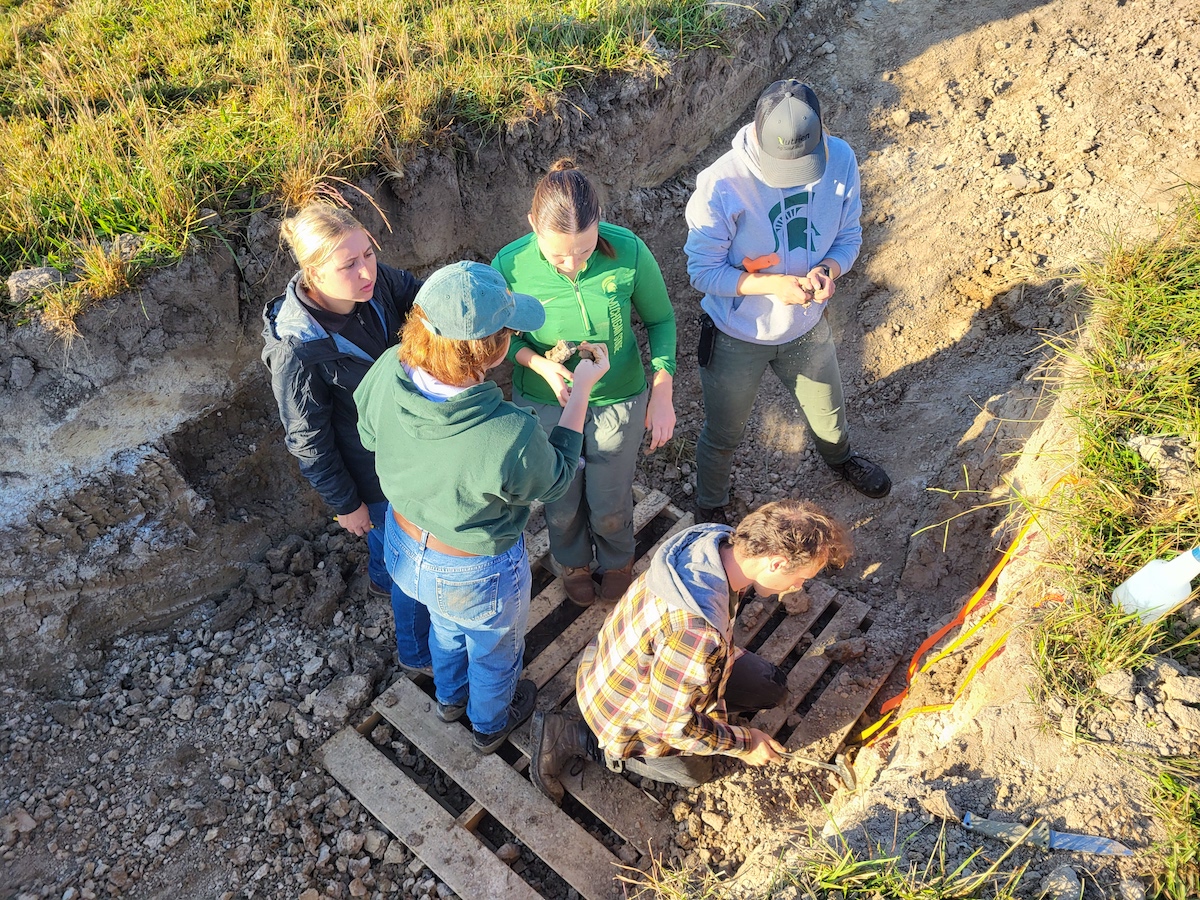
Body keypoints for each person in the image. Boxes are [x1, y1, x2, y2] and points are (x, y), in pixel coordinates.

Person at [354, 262, 611, 753]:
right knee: (494, 652)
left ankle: (450, 698)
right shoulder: (507, 432)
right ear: (490, 351)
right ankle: (490, 724)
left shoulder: (389, 367)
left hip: (405, 545)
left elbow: (369, 434)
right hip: (476, 570)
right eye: (508, 333)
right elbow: (556, 478)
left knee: (446, 630)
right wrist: (580, 392)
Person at [529, 499, 851, 802]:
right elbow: (671, 726)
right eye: (799, 578)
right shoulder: (696, 631)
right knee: (696, 772)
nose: (798, 587)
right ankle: (579, 738)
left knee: (770, 687)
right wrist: (745, 743)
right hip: (621, 703)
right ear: (776, 562)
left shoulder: (714, 540)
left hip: (627, 661)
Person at [684, 80, 891, 524]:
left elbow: (849, 236)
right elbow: (702, 271)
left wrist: (829, 271)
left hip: (807, 326)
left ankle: (841, 459)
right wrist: (772, 287)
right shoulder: (721, 184)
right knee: (724, 431)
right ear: (758, 135)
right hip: (737, 335)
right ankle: (710, 503)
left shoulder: (842, 160)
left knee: (829, 412)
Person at [492, 159, 678, 608]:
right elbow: (499, 338)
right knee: (561, 499)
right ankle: (571, 562)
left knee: (610, 499)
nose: (573, 264)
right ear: (533, 224)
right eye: (558, 256)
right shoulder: (509, 265)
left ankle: (617, 561)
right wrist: (539, 364)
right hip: (546, 401)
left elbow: (661, 319)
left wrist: (662, 392)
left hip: (618, 397)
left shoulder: (628, 250)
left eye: (585, 250)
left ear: (599, 224)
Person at [262, 203, 432, 676]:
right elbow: (308, 440)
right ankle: (418, 656)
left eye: (368, 254)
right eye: (348, 265)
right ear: (313, 274)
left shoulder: (377, 288)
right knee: (409, 568)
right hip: (370, 472)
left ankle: (379, 576)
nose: (366, 271)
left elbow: (422, 296)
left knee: (386, 546)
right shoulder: (299, 349)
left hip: (403, 445)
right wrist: (345, 503)